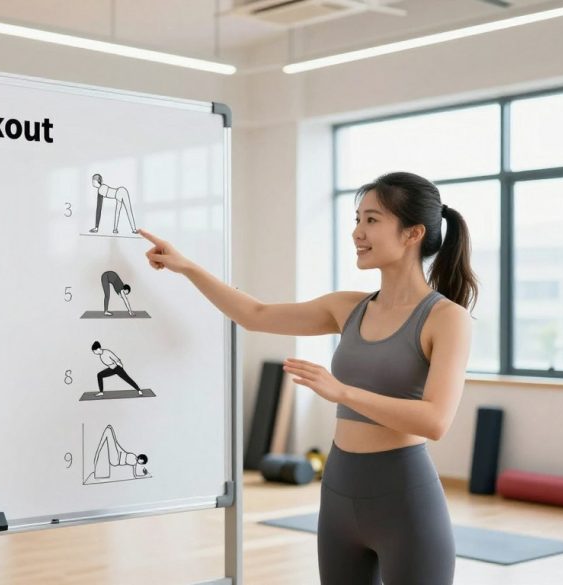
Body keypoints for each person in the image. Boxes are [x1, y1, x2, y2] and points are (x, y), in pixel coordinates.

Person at [140, 171, 475, 585]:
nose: (357, 232)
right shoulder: (346, 307)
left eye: (372, 220)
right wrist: (187, 267)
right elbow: (255, 315)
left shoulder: (447, 319)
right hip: (338, 494)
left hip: (405, 500)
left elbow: (435, 421)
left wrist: (342, 392)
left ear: (413, 233)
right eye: (356, 219)